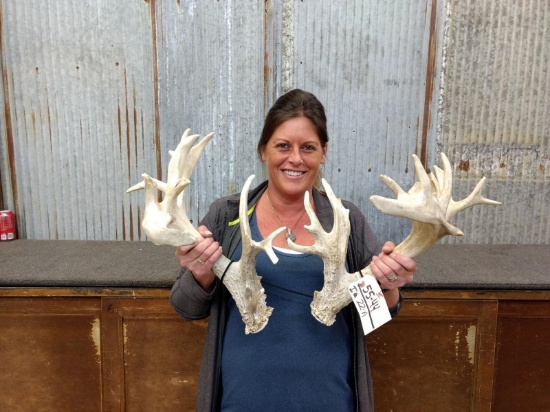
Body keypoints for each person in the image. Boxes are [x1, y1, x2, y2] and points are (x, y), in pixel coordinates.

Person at [170, 89, 416, 412]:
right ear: (263, 150)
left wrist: (390, 284)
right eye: (283, 146)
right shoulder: (227, 216)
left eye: (308, 148)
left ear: (324, 153)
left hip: (329, 401)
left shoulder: (346, 221)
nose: (295, 159)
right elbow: (185, 306)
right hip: (241, 402)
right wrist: (201, 272)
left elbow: (380, 313)